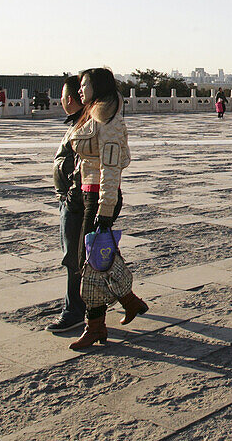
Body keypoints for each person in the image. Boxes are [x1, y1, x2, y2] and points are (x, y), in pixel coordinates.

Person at [68, 67, 148, 350]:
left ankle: (95, 326)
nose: (80, 90)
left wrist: (104, 210)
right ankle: (129, 301)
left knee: (88, 264)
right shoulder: (93, 111)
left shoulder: (109, 119)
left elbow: (111, 168)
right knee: (101, 259)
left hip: (100, 198)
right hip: (86, 193)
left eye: (84, 85)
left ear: (98, 87)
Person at [47, 75, 87, 334]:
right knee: (95, 255)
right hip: (74, 199)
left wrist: (72, 199)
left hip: (77, 202)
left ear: (69, 99)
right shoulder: (79, 123)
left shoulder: (85, 127)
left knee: (75, 259)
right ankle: (127, 299)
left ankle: (74, 311)